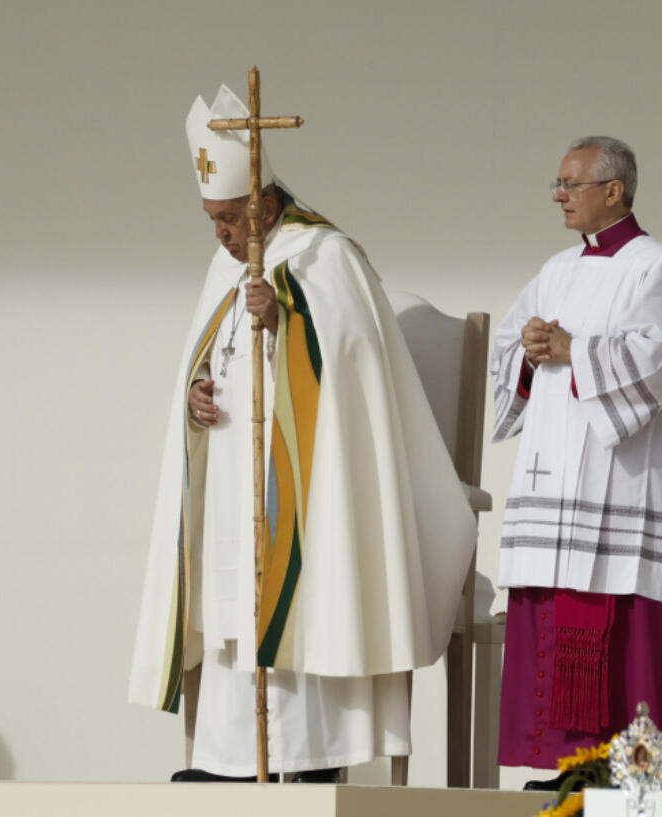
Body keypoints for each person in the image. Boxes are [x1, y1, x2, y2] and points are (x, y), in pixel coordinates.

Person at [128, 84, 476, 782]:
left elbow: (354, 364)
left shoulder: (325, 256)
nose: (221, 235)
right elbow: (211, 354)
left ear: (262, 205)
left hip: (308, 494)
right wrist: (197, 394)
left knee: (299, 602)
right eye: (211, 220)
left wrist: (286, 315)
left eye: (229, 219)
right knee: (235, 614)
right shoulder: (224, 266)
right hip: (233, 484)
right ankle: (229, 760)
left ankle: (307, 762)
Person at [490, 136, 662, 786]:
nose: (558, 195)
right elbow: (510, 343)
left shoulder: (661, 268)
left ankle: (630, 771)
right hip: (554, 483)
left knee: (628, 636)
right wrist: (528, 350)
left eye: (570, 183)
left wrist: (574, 350)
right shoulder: (555, 269)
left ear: (613, 191)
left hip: (626, 485)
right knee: (554, 621)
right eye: (556, 183)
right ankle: (565, 767)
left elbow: (661, 356)